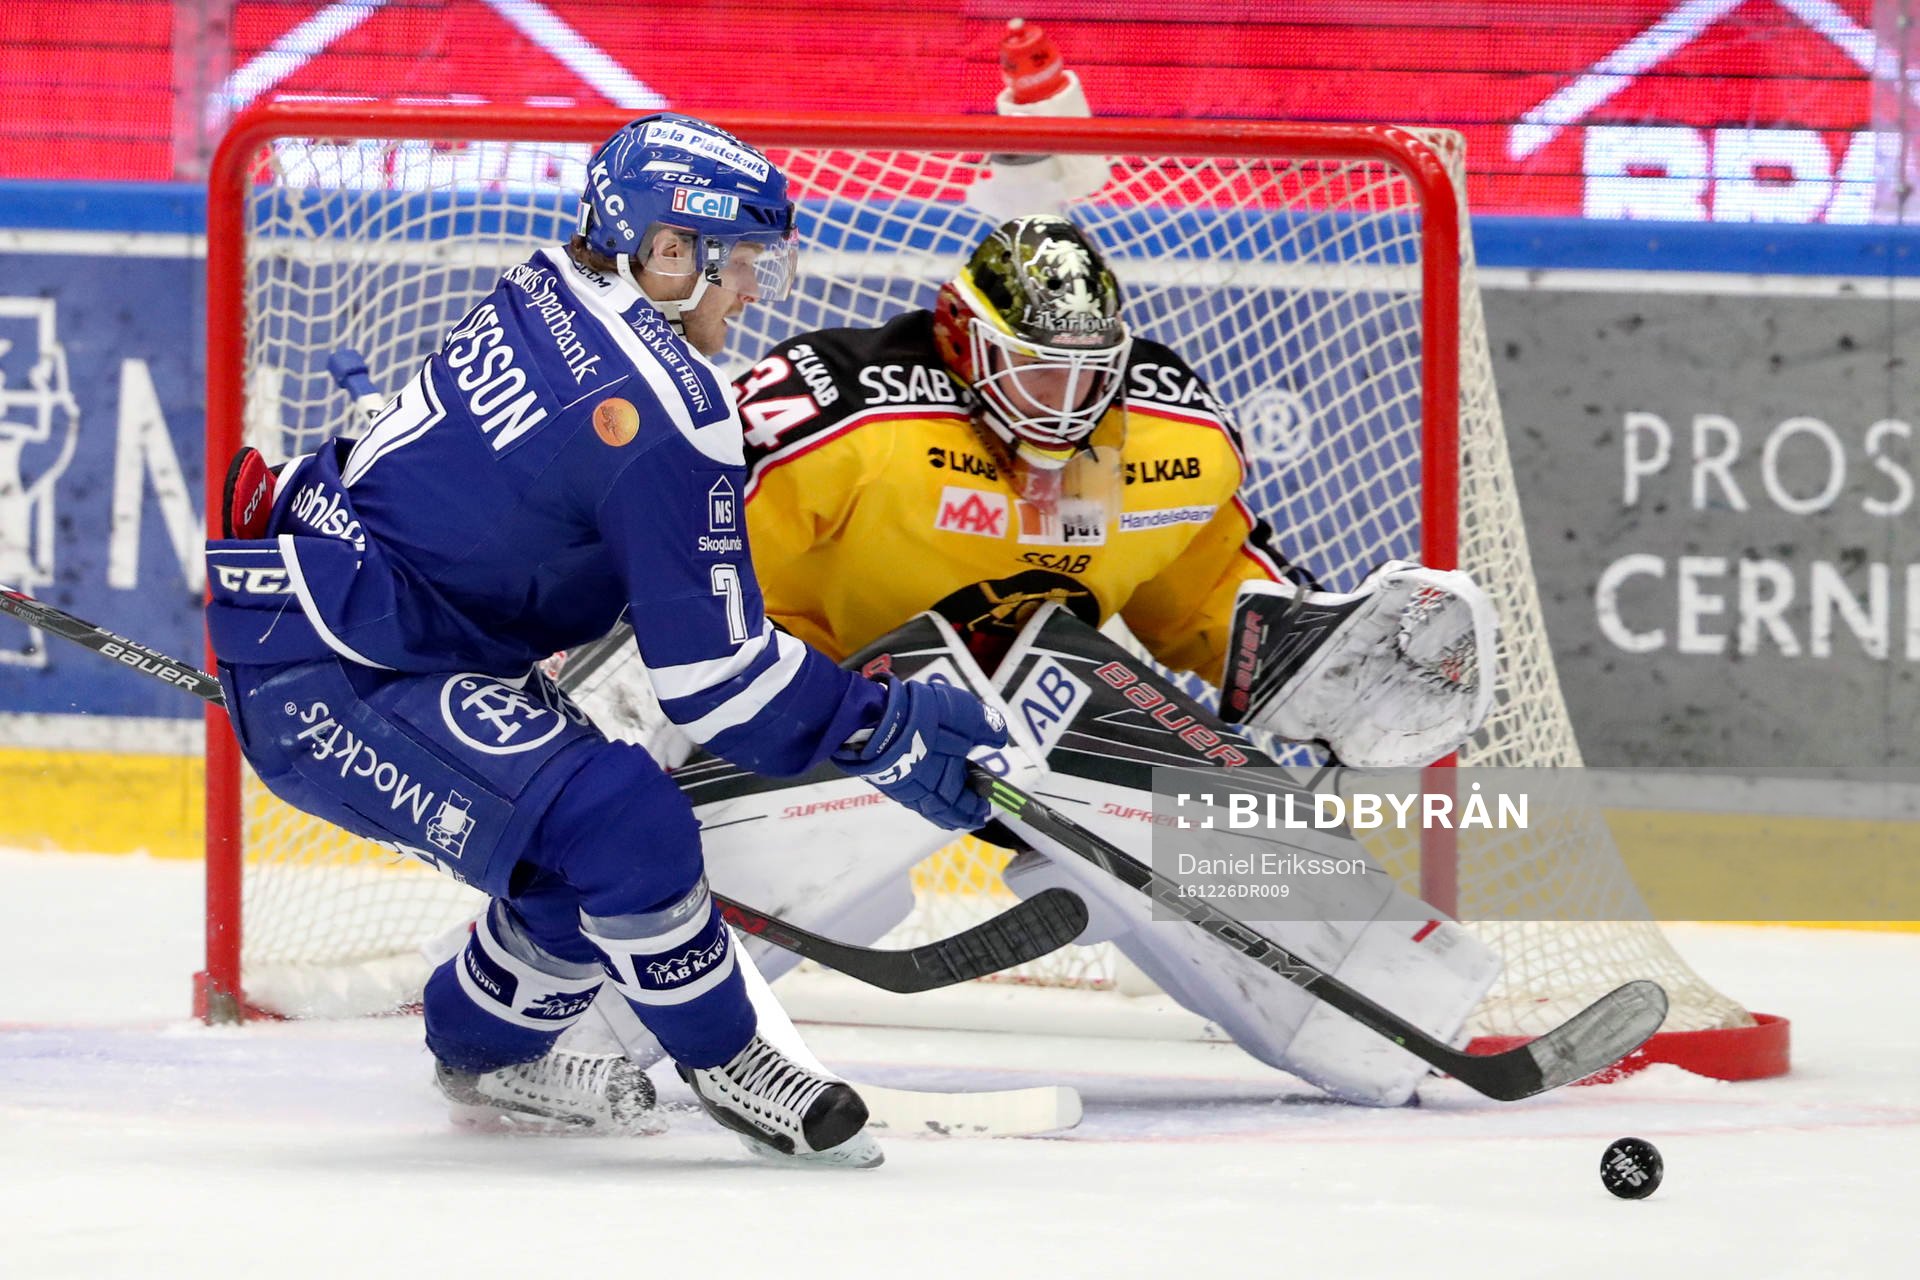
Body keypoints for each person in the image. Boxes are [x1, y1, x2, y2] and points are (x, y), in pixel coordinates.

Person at [201, 113, 1007, 1168]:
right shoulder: (669, 409)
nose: (753, 290)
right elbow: (720, 689)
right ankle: (731, 1061)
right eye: (741, 262)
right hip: (348, 660)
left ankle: (480, 1051)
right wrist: (882, 726)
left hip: (340, 604)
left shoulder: (552, 285)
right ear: (667, 252)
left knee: (570, 859)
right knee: (626, 820)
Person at [574, 213, 1499, 1109]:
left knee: (1171, 763)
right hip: (822, 709)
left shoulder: (1161, 436)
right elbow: (675, 566)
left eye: (1083, 378)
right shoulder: (841, 410)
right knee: (706, 836)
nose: (1061, 407)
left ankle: (1390, 1015)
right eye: (1034, 374)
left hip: (1031, 722)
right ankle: (575, 1023)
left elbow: (1205, 593)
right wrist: (617, 719)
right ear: (964, 345)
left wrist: (1317, 660)